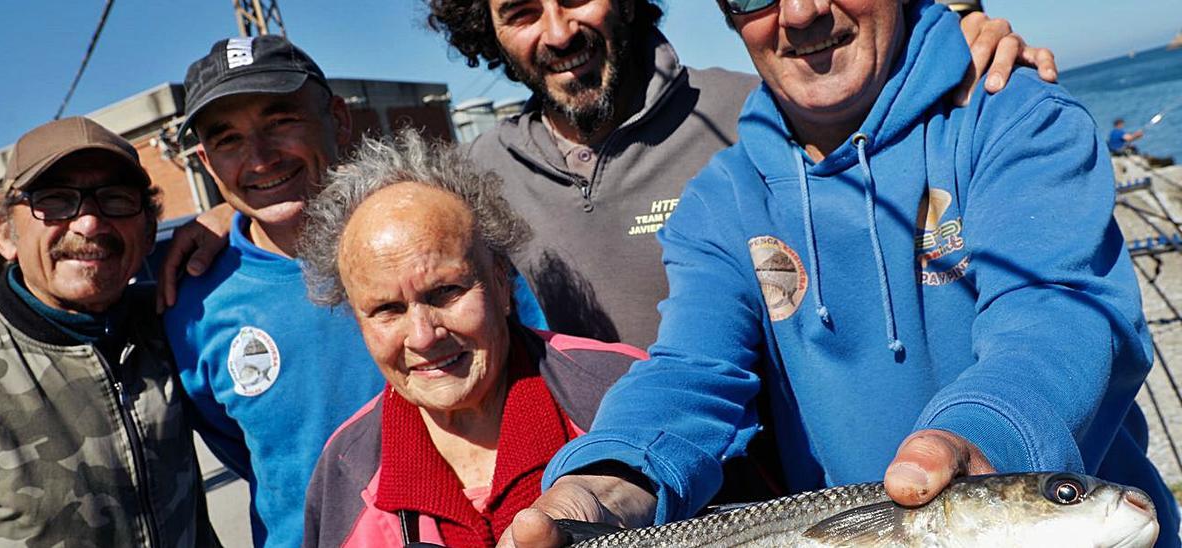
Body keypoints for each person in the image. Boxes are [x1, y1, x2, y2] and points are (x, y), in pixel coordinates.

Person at [505, 1, 1179, 546]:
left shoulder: (1015, 117)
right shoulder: (719, 203)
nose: (798, 14)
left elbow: (1058, 310)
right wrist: (606, 480)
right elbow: (692, 372)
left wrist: (978, 447)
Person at [426, 0, 1058, 350]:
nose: (559, 32)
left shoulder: (757, 116)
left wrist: (957, 35)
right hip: (600, 505)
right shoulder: (471, 183)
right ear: (489, 30)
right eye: (522, 12)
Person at [298, 131, 645, 547]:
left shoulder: (625, 390)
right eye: (387, 309)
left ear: (501, 282)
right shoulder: (341, 470)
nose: (424, 336)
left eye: (446, 291)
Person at [0, 117, 212, 546]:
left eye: (116, 199)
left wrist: (227, 215)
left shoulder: (175, 320)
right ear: (4, 236)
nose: (89, 224)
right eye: (55, 200)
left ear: (147, 233)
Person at [161, 35, 388, 547]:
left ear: (338, 118)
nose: (260, 158)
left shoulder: (432, 239)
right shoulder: (189, 308)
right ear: (205, 161)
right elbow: (246, 453)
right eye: (228, 140)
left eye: (281, 122)